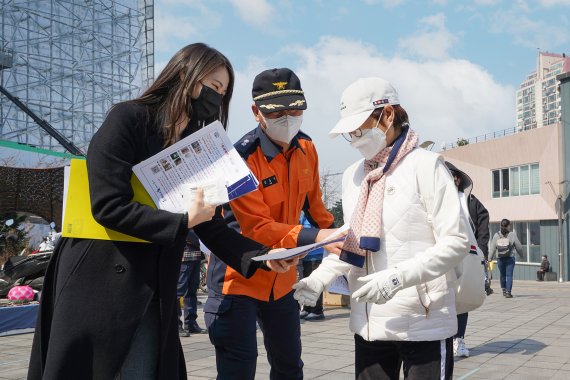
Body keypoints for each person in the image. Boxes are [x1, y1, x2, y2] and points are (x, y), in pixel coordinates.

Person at [27, 43, 297, 380]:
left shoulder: (195, 144)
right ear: (185, 75)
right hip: (97, 278)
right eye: (213, 86)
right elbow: (107, 205)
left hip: (152, 285)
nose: (216, 97)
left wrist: (262, 256)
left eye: (223, 92)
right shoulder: (128, 118)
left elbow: (209, 225)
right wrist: (183, 221)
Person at [293, 77, 470, 380]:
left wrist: (398, 277)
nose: (355, 137)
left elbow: (455, 242)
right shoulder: (355, 175)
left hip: (424, 320)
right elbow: (350, 240)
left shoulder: (426, 166)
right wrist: (319, 278)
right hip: (370, 322)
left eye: (359, 128)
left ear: (388, 115)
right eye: (350, 133)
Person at [204, 67, 342, 380]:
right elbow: (258, 227)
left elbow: (316, 206)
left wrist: (340, 238)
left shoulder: (307, 149)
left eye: (294, 110)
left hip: (282, 283)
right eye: (277, 111)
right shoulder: (240, 158)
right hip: (238, 278)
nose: (287, 118)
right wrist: (320, 235)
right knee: (239, 369)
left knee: (290, 367)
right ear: (256, 112)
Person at [444, 161, 490, 358]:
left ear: (459, 179)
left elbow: (483, 223)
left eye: (455, 176)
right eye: (449, 175)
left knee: (461, 299)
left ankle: (459, 339)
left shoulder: (470, 201)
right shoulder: (434, 198)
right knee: (443, 299)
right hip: (441, 256)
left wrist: (481, 250)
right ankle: (443, 338)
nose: (453, 179)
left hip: (466, 256)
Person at [177, 230, 207, 337]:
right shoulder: (183, 213)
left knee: (192, 291)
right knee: (178, 291)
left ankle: (191, 323)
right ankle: (176, 324)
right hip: (183, 253)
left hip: (196, 254)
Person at [297, 212, 326, 321]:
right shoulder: (302, 212)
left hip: (315, 253)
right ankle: (307, 308)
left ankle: (317, 311)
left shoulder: (313, 212)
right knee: (306, 283)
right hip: (305, 254)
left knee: (314, 283)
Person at [489, 218, 524, 298]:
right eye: (509, 225)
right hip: (510, 258)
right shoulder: (512, 235)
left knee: (502, 275)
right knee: (509, 275)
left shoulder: (496, 235)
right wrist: (521, 255)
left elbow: (492, 248)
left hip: (500, 258)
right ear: (508, 226)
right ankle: (508, 292)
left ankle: (504, 290)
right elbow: (519, 247)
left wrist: (489, 258)